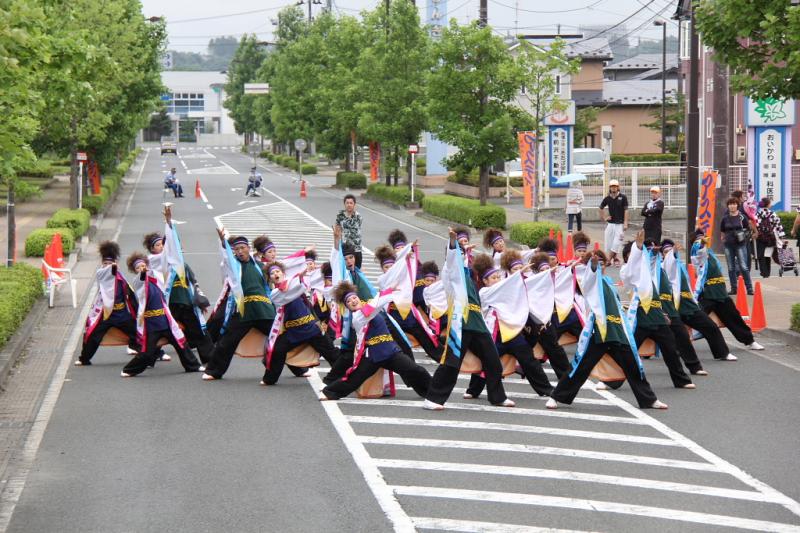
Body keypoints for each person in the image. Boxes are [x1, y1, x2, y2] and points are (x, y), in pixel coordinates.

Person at [546, 249, 667, 411]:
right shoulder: (588, 281)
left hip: (617, 329)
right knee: (581, 366)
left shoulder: (608, 281)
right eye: (597, 263)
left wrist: (637, 248)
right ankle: (557, 396)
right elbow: (590, 280)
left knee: (633, 365)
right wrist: (593, 267)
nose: (600, 266)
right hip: (599, 330)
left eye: (602, 263)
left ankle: (648, 399)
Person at [423, 227, 515, 411]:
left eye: (464, 250)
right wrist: (452, 243)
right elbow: (451, 257)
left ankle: (497, 397)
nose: (463, 253)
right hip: (460, 323)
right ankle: (433, 398)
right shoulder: (451, 272)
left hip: (477, 323)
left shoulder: (468, 274)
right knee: (451, 362)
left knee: (493, 360)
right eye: (460, 250)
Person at [320, 282, 432, 401]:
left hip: (391, 351)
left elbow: (377, 304)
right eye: (348, 302)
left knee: (414, 369)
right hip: (373, 355)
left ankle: (432, 391)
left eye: (354, 298)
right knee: (354, 379)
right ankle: (329, 392)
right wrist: (387, 292)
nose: (353, 301)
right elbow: (374, 305)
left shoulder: (372, 308)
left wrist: (391, 292)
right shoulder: (357, 318)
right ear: (347, 307)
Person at [202, 232, 276, 381]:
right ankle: (213, 371)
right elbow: (225, 259)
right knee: (227, 341)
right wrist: (223, 242)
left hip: (264, 310)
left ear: (248, 248)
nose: (240, 251)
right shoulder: (233, 266)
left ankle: (299, 368)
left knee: (280, 338)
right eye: (237, 249)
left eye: (242, 248)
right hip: (243, 311)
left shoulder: (261, 267)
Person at [121, 253, 202, 377]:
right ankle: (129, 370)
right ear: (135, 271)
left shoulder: (157, 278)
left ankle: (193, 366)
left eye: (143, 265)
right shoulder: (138, 282)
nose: (142, 268)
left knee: (181, 343)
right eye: (138, 268)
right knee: (147, 352)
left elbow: (161, 267)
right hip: (151, 323)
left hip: (165, 320)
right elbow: (141, 279)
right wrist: (142, 273)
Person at [261, 262, 340, 385]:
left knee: (331, 352)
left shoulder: (295, 287)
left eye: (277, 271)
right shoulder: (275, 294)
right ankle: (269, 379)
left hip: (310, 327)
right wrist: (299, 276)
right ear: (269, 278)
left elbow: (303, 286)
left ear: (283, 273)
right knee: (276, 350)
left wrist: (305, 273)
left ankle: (343, 375)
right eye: (272, 273)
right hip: (293, 332)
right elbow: (287, 292)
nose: (275, 274)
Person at [661, 239, 738, 361]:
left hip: (688, 304)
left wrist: (702, 246)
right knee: (672, 334)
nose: (669, 253)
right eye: (666, 251)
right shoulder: (662, 267)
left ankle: (723, 353)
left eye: (670, 250)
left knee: (710, 326)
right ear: (662, 255)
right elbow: (668, 264)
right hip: (673, 307)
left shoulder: (680, 265)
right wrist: (673, 251)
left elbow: (700, 257)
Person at [691, 228, 764, 351]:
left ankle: (749, 340)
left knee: (734, 318)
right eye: (698, 239)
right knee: (692, 317)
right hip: (707, 294)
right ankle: (683, 340)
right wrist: (701, 243)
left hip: (720, 293)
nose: (702, 240)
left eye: (703, 237)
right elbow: (699, 251)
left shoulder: (711, 254)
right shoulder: (697, 255)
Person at [77, 241, 139, 366]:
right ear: (101, 265)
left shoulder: (121, 279)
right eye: (105, 263)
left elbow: (131, 297)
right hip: (105, 315)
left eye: (110, 264)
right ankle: (84, 358)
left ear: (116, 264)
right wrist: (110, 268)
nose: (108, 266)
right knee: (93, 335)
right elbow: (105, 273)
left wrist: (138, 312)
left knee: (138, 333)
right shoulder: (102, 275)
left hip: (121, 314)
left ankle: (153, 354)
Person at [720, 197, 754, 294]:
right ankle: (734, 288)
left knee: (743, 266)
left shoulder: (742, 217)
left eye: (734, 204)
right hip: (728, 245)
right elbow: (722, 230)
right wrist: (723, 238)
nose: (732, 206)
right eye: (730, 204)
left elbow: (748, 229)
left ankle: (749, 288)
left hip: (740, 244)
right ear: (728, 206)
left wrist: (744, 237)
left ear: (737, 205)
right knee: (731, 267)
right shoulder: (725, 218)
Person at [755, 197, 787, 278]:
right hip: (770, 238)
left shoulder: (757, 214)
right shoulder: (772, 214)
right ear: (768, 204)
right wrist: (782, 238)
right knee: (767, 255)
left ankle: (764, 272)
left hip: (760, 237)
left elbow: (755, 225)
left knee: (761, 256)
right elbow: (778, 226)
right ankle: (767, 273)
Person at [599, 179, 628, 266]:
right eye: (612, 186)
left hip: (620, 224)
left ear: (618, 187)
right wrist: (605, 218)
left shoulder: (623, 197)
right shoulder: (607, 198)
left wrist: (626, 222)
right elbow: (600, 208)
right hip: (611, 224)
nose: (614, 188)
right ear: (610, 188)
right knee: (609, 242)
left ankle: (608, 260)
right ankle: (615, 259)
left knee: (617, 242)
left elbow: (626, 210)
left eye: (615, 186)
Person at [334, 194, 363, 269]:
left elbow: (355, 229)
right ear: (344, 204)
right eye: (347, 203)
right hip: (345, 249)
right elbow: (337, 231)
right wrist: (336, 247)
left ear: (354, 204)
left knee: (356, 271)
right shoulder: (340, 216)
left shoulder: (358, 216)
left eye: (351, 203)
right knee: (345, 271)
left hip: (356, 248)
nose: (349, 205)